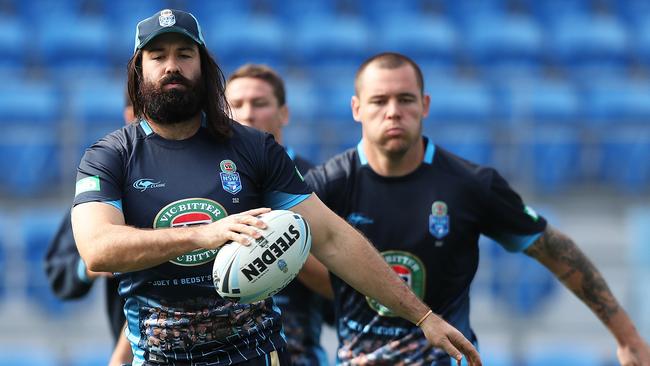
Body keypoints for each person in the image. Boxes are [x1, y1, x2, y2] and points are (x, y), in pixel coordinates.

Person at [70, 9, 481, 366]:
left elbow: (333, 237)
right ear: (138, 71)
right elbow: (98, 247)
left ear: (205, 67)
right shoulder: (109, 156)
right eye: (157, 56)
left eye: (184, 55)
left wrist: (423, 317)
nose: (171, 66)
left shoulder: (252, 147)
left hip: (255, 357)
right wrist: (205, 234)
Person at [303, 52, 650, 365]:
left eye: (405, 99)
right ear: (356, 108)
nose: (393, 111)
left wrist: (628, 337)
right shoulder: (327, 186)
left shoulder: (470, 184)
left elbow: (557, 252)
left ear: (425, 105)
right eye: (379, 100)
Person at [225, 63, 334, 366]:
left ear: (283, 113)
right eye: (236, 104)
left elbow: (339, 287)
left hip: (298, 354)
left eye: (260, 103)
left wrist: (279, 241)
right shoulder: (210, 182)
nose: (248, 114)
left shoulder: (318, 181)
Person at [44, 91, 136, 365]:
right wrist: (93, 264)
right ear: (129, 116)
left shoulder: (208, 173)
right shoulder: (106, 182)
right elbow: (59, 274)